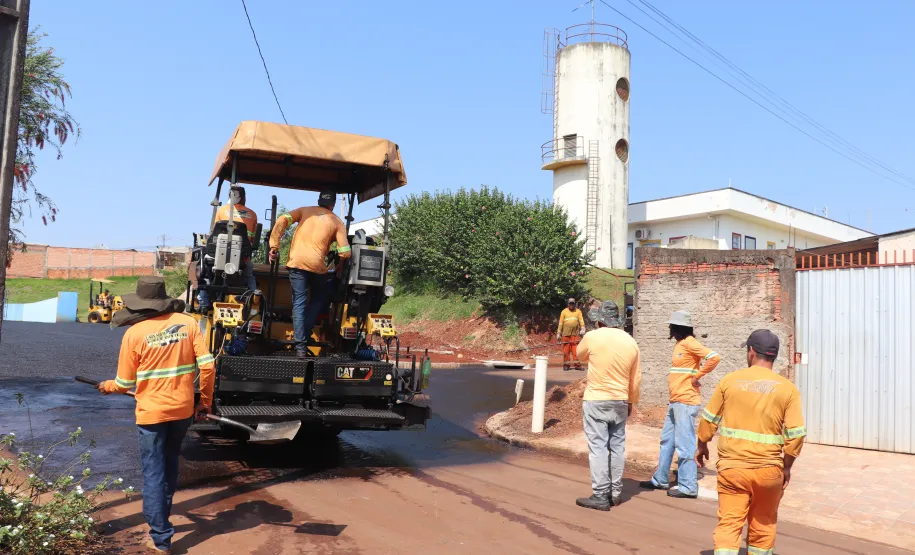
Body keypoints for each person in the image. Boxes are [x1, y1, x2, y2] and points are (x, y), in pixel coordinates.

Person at [96, 276, 216, 554]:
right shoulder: (187, 323)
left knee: (153, 472)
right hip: (182, 411)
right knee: (170, 464)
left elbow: (124, 383)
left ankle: (161, 538)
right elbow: (208, 367)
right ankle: (162, 520)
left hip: (151, 415)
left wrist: (107, 386)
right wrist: (205, 402)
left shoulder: (134, 334)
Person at [697, 329, 806, 555]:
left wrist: (702, 445)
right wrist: (786, 466)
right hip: (769, 472)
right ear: (774, 355)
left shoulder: (729, 381)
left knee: (729, 524)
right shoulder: (787, 389)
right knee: (763, 525)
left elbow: (709, 419)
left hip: (732, 470)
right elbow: (796, 434)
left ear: (751, 351)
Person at [640, 310, 720, 499]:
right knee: (667, 441)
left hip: (685, 401)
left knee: (685, 444)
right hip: (676, 401)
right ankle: (660, 479)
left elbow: (714, 357)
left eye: (673, 327)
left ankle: (688, 486)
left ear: (680, 328)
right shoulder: (680, 344)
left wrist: (697, 376)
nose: (671, 330)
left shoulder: (690, 342)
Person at [575, 300, 641, 511]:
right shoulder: (631, 341)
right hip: (620, 400)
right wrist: (631, 402)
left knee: (598, 448)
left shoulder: (592, 337)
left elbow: (580, 356)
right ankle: (615, 493)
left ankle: (601, 495)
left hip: (596, 399)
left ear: (600, 320)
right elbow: (635, 378)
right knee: (617, 447)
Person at [269, 191, 351, 357]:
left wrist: (274, 247)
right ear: (333, 204)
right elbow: (345, 252)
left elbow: (283, 219)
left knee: (299, 303)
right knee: (319, 297)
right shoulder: (336, 221)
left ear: (318, 200)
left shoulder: (303, 211)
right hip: (317, 266)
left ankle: (300, 347)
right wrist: (340, 261)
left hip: (297, 263)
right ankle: (304, 334)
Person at [212, 186, 258, 292]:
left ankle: (203, 298)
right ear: (244, 197)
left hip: (219, 255)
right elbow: (252, 239)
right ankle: (253, 296)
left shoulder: (221, 211)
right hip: (243, 257)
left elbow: (214, 235)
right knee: (249, 274)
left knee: (205, 268)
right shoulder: (252, 214)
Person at [556, 297, 585, 371]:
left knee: (576, 351)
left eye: (573, 303)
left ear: (575, 304)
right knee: (566, 352)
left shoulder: (578, 311)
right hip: (565, 335)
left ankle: (577, 365)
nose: (571, 305)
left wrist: (583, 328)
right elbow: (560, 323)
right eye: (570, 303)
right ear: (568, 304)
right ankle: (566, 365)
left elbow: (581, 321)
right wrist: (558, 333)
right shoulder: (564, 312)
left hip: (575, 335)